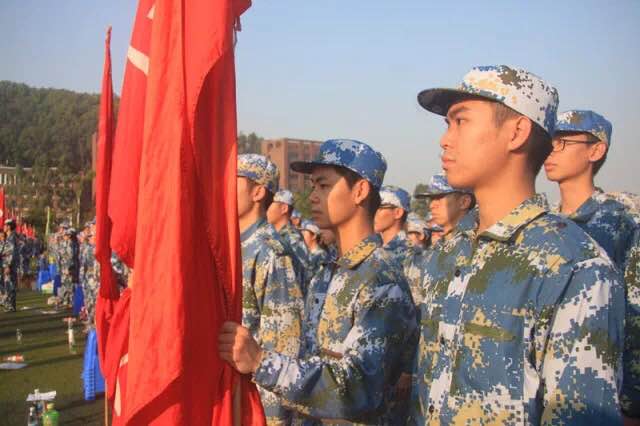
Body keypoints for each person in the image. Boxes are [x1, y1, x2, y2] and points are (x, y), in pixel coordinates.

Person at [409, 65, 624, 424]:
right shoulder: (449, 252)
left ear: (517, 132)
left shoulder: (574, 267)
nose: (445, 140)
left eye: (460, 121)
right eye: (447, 124)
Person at [219, 139, 417, 423]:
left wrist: (261, 362)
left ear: (360, 191)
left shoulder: (381, 279)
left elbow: (358, 388)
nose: (312, 196)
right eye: (313, 186)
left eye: (323, 186)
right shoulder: (328, 272)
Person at [544, 109, 640, 420]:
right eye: (549, 142)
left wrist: (632, 402)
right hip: (546, 385)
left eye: (563, 142)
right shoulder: (545, 224)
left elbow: (635, 311)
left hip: (600, 388)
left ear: (596, 150)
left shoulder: (620, 222)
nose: (551, 151)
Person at [237, 154, 304, 424]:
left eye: (233, 181)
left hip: (258, 403)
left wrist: (273, 420)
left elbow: (283, 347)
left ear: (257, 192)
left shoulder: (270, 252)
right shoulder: (238, 245)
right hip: (234, 395)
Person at [414, 172, 474, 244]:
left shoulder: (475, 240)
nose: (431, 205)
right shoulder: (439, 245)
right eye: (431, 199)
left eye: (439, 197)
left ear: (464, 202)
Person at [267, 189, 311, 277]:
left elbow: (304, 273)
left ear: (284, 208)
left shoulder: (293, 237)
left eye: (269, 204)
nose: (267, 209)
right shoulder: (275, 234)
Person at [374, 185, 412, 265]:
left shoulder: (409, 253)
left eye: (379, 208)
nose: (373, 213)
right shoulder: (373, 246)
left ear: (398, 213)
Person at [1, 219, 19, 312]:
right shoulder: (10, 236)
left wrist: (7, 265)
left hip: (10, 265)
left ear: (9, 226)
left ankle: (10, 305)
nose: (3, 227)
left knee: (9, 284)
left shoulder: (11, 237)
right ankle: (11, 305)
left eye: (5, 225)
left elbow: (10, 253)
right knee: (10, 284)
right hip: (10, 264)